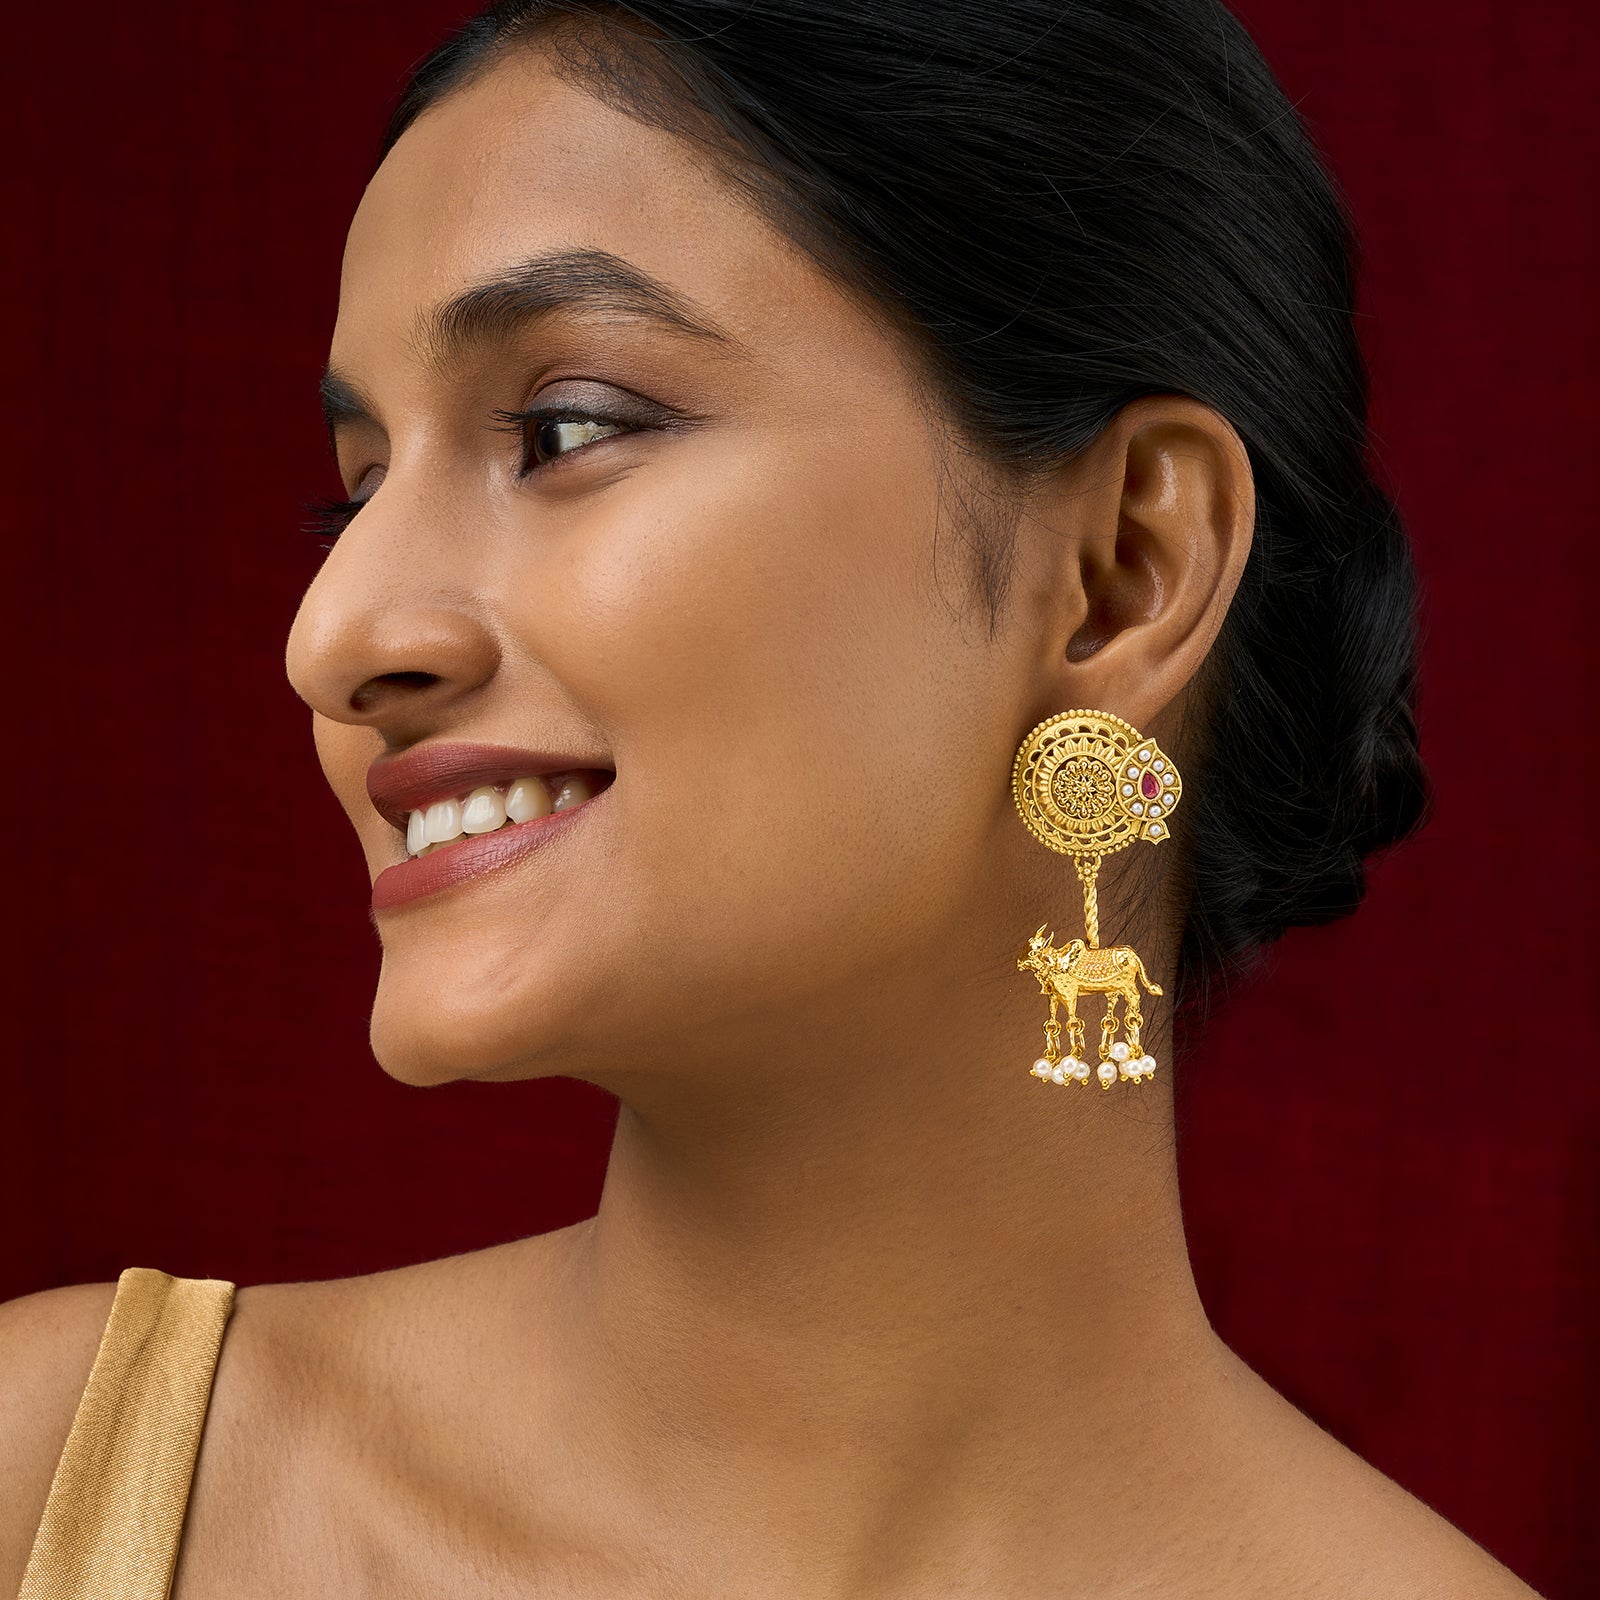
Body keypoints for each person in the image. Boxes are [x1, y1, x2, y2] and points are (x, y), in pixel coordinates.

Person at [0, 2, 1545, 1594]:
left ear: (1121, 574)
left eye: (565, 430)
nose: (332, 636)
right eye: (360, 488)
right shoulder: (66, 1479)